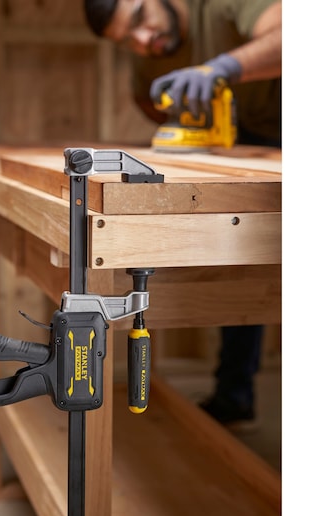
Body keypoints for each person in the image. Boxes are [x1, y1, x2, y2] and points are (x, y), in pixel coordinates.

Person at [83, 0, 281, 428]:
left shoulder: (224, 6)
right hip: (241, 139)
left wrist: (221, 69)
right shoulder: (152, 51)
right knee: (235, 253)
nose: (141, 40)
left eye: (139, 19)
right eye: (126, 40)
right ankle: (234, 396)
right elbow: (146, 95)